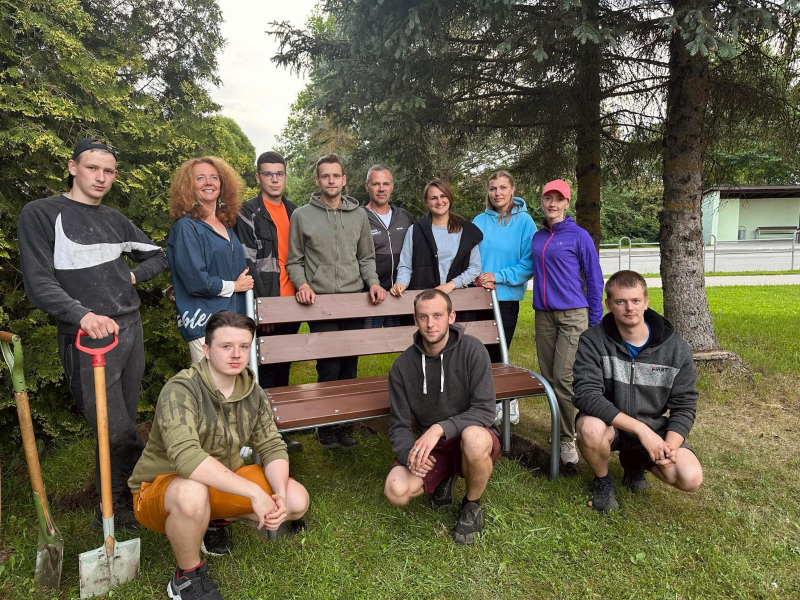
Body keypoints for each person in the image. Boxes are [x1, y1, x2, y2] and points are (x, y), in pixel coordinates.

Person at [17, 137, 168, 530]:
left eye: (109, 171)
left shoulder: (115, 220)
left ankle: (116, 506)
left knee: (123, 422)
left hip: (130, 331)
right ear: (73, 168)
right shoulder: (41, 213)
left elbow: (157, 254)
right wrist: (81, 314)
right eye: (92, 168)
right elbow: (39, 283)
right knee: (114, 431)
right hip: (86, 340)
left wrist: (131, 276)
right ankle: (139, 493)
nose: (101, 177)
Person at [128, 311, 309, 600]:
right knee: (192, 493)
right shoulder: (181, 390)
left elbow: (272, 446)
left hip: (220, 480)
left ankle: (214, 521)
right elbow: (186, 458)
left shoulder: (253, 392)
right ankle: (186, 577)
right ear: (207, 349)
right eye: (226, 346)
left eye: (243, 346)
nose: (236, 354)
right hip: (161, 488)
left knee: (297, 500)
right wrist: (253, 492)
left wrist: (280, 494)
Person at [572, 270, 703, 512]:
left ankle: (635, 462)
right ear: (609, 305)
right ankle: (603, 481)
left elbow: (685, 404)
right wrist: (640, 430)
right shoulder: (593, 340)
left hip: (653, 426)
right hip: (610, 425)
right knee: (589, 428)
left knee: (690, 477)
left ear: (646, 302)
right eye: (620, 302)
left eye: (635, 300)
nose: (629, 308)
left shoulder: (676, 348)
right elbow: (586, 395)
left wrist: (668, 447)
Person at [384, 289, 500, 545]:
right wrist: (409, 455)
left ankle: (471, 504)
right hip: (434, 446)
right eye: (423, 317)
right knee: (395, 490)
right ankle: (444, 475)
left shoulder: (473, 350)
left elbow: (484, 410)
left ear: (451, 317)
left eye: (437, 315)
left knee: (474, 439)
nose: (430, 324)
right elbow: (399, 426)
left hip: (471, 434)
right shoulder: (402, 367)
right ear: (415, 320)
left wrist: (439, 428)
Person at [286, 153, 385, 449]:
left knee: (349, 365)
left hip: (354, 300)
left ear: (344, 180)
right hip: (321, 302)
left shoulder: (358, 215)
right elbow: (294, 260)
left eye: (335, 176)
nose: (331, 181)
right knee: (329, 365)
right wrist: (303, 285)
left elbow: (366, 257)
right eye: (325, 176)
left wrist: (373, 283)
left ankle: (345, 423)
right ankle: (326, 425)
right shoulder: (302, 215)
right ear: (318, 180)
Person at [531, 179, 603, 466]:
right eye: (548, 198)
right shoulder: (537, 237)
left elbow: (594, 279)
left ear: (567, 203)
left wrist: (595, 319)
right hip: (543, 316)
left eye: (558, 199)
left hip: (574, 315)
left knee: (564, 379)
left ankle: (566, 438)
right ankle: (559, 429)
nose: (552, 204)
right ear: (542, 201)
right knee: (548, 379)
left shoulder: (579, 236)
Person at [234, 150, 302, 453]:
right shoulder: (248, 212)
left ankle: (280, 426)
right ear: (258, 177)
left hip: (293, 301)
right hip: (268, 302)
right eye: (268, 174)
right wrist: (264, 306)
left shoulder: (295, 210)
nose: (274, 179)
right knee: (263, 368)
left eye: (279, 173)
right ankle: (265, 432)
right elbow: (248, 261)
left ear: (285, 176)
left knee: (283, 365)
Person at [166, 156, 253, 364]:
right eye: (200, 178)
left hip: (233, 323)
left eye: (214, 177)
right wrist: (235, 286)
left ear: (222, 184)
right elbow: (195, 281)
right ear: (189, 186)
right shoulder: (186, 227)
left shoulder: (227, 225)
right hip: (205, 324)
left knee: (235, 383)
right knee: (212, 383)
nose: (208, 183)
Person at [473, 170, 536, 425]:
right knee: (479, 354)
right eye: (492, 188)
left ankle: (507, 403)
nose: (497, 193)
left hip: (505, 298)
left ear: (512, 190)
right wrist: (477, 277)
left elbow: (528, 264)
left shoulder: (524, 222)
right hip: (478, 298)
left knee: (499, 354)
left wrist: (497, 276)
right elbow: (470, 258)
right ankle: (484, 403)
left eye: (502, 188)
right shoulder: (479, 221)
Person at [390, 179, 482, 298]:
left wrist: (451, 285)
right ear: (426, 202)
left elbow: (475, 267)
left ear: (449, 198)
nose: (439, 202)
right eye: (433, 198)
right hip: (424, 299)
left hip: (458, 298)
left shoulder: (467, 231)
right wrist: (401, 283)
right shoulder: (415, 230)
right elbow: (405, 266)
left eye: (443, 196)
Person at [362, 164, 414, 328]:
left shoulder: (404, 217)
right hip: (370, 295)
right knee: (365, 340)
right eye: (376, 184)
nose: (381, 189)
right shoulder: (359, 217)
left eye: (385, 184)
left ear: (392, 186)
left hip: (400, 294)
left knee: (404, 341)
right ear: (367, 186)